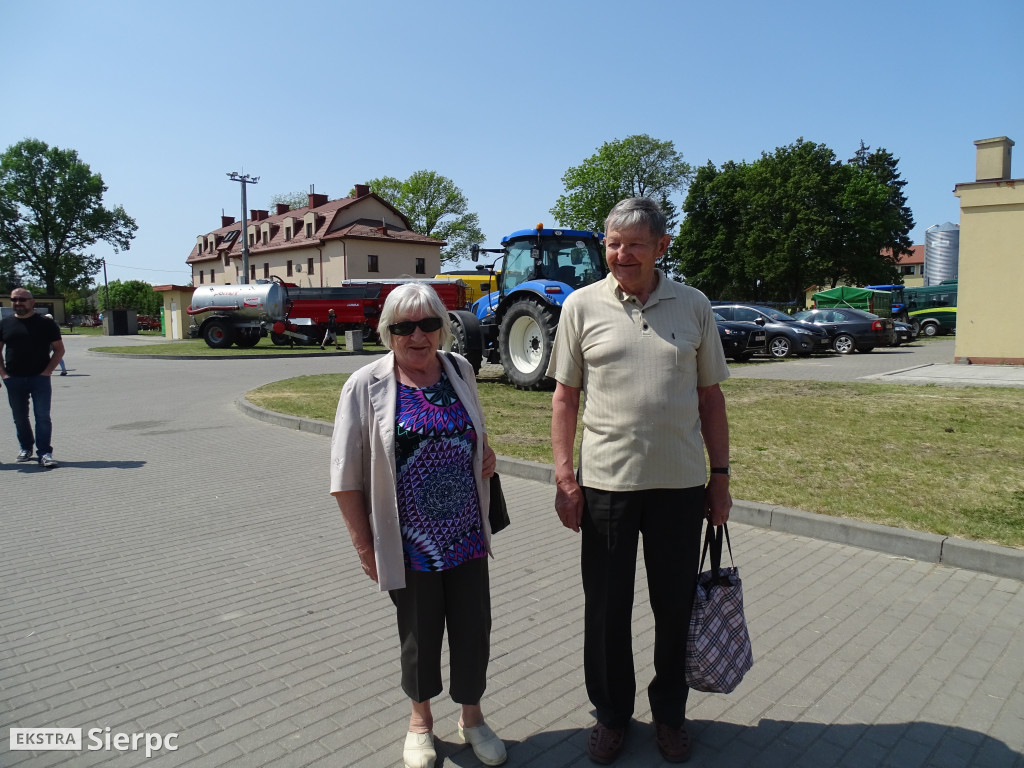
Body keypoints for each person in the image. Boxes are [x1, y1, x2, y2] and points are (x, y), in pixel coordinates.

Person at [547, 198, 732, 764]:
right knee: (606, 610)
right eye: (612, 243)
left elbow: (710, 398)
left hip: (679, 488)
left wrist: (719, 479)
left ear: (661, 246)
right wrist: (564, 477)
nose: (621, 254)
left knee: (675, 606)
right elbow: (565, 398)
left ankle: (670, 716)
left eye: (633, 243)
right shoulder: (580, 306)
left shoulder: (694, 306)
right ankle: (611, 715)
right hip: (605, 486)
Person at [330, 282, 506, 768]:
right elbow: (345, 476)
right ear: (387, 333)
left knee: (474, 631)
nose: (417, 336)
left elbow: (474, 433)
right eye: (404, 327)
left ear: (442, 329)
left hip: (468, 535)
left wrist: (483, 457)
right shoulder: (365, 386)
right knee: (419, 635)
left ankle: (472, 718)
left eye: (429, 324)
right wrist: (364, 546)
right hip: (410, 544)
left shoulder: (460, 370)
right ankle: (420, 722)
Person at [0, 289, 66, 468]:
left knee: (42, 416)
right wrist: (4, 374)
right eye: (14, 299)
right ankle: (25, 448)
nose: (18, 302)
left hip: (39, 378)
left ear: (32, 302)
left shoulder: (45, 324)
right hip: (13, 378)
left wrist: (47, 372)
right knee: (19, 417)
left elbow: (59, 349)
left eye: (22, 299)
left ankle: (44, 452)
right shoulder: (5, 324)